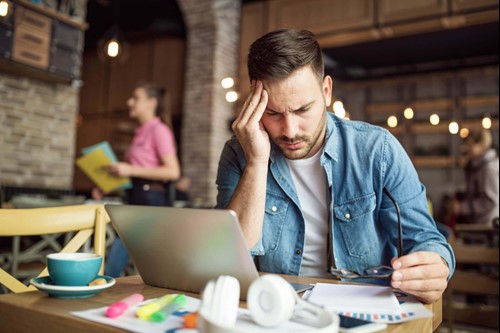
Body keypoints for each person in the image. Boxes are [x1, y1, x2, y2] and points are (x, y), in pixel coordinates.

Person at [216, 29, 455, 304]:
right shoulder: (239, 153)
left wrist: (437, 264)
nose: (289, 130)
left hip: (365, 307)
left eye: (302, 109)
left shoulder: (379, 149)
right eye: (273, 113)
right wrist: (256, 163)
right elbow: (230, 264)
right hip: (278, 309)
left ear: (326, 91)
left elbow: (425, 238)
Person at [104, 81, 181, 277]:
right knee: (126, 256)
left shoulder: (159, 130)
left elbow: (173, 172)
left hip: (151, 202)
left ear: (151, 102)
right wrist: (105, 186)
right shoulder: (140, 132)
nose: (129, 102)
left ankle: (106, 287)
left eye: (135, 98)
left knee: (137, 260)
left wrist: (129, 168)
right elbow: (136, 171)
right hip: (135, 197)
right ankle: (107, 288)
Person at [450, 129, 499, 227]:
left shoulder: (488, 169)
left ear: (482, 145)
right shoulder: (478, 166)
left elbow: (490, 201)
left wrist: (462, 207)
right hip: (481, 223)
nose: (467, 148)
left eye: (470, 144)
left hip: (487, 225)